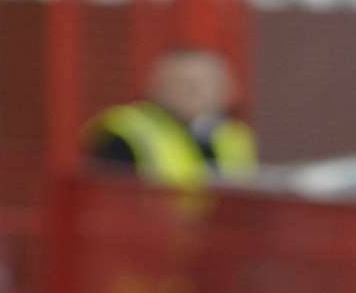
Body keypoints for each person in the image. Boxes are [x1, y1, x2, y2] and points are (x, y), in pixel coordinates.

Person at [86, 48, 256, 191]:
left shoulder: (235, 135)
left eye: (206, 82)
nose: (194, 91)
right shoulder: (123, 131)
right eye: (182, 82)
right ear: (155, 86)